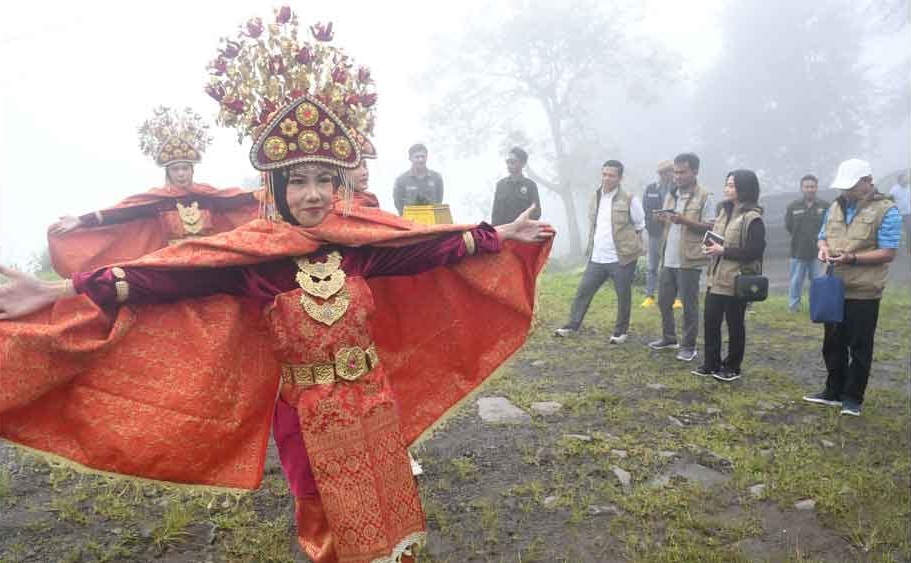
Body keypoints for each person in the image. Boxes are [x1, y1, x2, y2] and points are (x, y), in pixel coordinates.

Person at [0, 11, 554, 563]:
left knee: (387, 497)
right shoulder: (249, 257)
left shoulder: (357, 243)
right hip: (305, 408)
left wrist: (499, 234)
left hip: (371, 395)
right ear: (276, 186)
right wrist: (57, 292)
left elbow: (427, 247)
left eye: (322, 180)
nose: (313, 195)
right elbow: (164, 273)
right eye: (299, 181)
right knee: (325, 514)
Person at [47, 106, 260, 277]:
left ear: (192, 170)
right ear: (169, 172)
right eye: (176, 169)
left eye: (185, 168)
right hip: (174, 264)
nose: (181, 174)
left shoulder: (207, 196)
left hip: (212, 262)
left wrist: (267, 192)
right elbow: (122, 213)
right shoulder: (158, 201)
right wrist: (82, 220)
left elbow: (237, 200)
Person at [803, 159, 901, 417]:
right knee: (833, 342)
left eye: (852, 186)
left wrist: (853, 258)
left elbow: (888, 251)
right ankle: (833, 391)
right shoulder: (835, 206)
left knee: (859, 345)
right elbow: (822, 235)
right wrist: (823, 249)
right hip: (835, 286)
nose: (846, 192)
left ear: (867, 181)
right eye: (844, 187)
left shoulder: (886, 209)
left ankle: (852, 398)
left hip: (864, 289)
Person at [554, 160, 643, 342]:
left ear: (620, 178)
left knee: (623, 295)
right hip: (597, 256)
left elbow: (640, 225)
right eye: (604, 174)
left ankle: (620, 332)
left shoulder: (630, 199)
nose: (606, 178)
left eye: (611, 175)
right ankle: (572, 325)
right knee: (583, 291)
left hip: (621, 257)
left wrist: (631, 247)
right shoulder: (595, 196)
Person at [692, 170, 766, 381]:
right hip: (715, 278)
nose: (727, 189)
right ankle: (711, 362)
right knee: (711, 321)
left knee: (735, 323)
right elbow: (719, 239)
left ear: (745, 188)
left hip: (737, 279)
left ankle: (732, 366)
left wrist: (723, 251)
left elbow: (755, 251)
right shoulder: (723, 211)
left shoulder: (753, 218)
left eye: (732, 185)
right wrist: (711, 248)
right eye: (727, 184)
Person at [648, 153, 715, 362]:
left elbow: (712, 226)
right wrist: (661, 219)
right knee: (664, 300)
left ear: (695, 171)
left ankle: (689, 346)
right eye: (675, 172)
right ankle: (669, 338)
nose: (677, 176)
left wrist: (684, 221)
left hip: (690, 259)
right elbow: (670, 223)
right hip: (669, 256)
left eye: (682, 172)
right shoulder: (671, 194)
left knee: (689, 304)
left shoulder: (705, 196)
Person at [785, 174, 828, 311]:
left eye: (813, 186)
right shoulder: (793, 206)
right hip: (798, 251)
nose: (810, 189)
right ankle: (794, 306)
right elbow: (789, 226)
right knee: (795, 281)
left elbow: (829, 227)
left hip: (819, 253)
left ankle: (816, 306)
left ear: (816, 188)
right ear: (802, 188)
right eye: (807, 186)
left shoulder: (825, 206)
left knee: (818, 282)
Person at [641, 160, 674, 307]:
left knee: (672, 265)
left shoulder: (678, 189)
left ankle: (675, 297)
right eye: (661, 172)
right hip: (655, 233)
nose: (664, 175)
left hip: (673, 232)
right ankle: (649, 295)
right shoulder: (651, 189)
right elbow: (645, 212)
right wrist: (652, 222)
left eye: (667, 171)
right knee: (652, 265)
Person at [491, 147, 541, 226]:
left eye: (513, 162)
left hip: (523, 233)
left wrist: (521, 223)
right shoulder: (500, 185)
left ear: (523, 164)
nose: (509, 164)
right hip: (504, 233)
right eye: (508, 161)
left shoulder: (530, 186)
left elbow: (536, 212)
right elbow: (495, 214)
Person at [393, 144, 444, 215]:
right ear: (410, 158)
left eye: (423, 156)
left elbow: (439, 201)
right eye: (417, 157)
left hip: (432, 221)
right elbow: (398, 204)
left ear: (427, 157)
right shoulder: (401, 180)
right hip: (410, 222)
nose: (421, 160)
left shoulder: (437, 178)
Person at [888, 173, 910, 251]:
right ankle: (893, 248)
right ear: (900, 180)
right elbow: (890, 201)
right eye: (905, 178)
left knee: (909, 230)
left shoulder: (909, 188)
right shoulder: (894, 189)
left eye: (907, 178)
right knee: (895, 231)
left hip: (908, 213)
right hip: (897, 213)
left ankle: (909, 248)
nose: (907, 180)